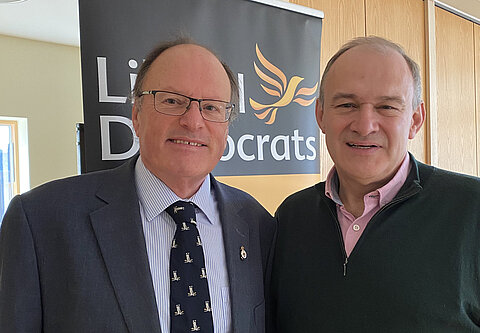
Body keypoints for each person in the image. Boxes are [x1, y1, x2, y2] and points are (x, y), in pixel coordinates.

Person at [0, 39, 275, 333]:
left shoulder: (257, 225)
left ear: (226, 126)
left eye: (211, 107)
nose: (193, 121)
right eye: (172, 100)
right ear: (136, 115)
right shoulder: (40, 221)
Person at [268, 36, 480, 332]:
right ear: (321, 115)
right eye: (347, 104)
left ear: (416, 120)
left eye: (387, 107)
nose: (364, 125)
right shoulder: (291, 217)